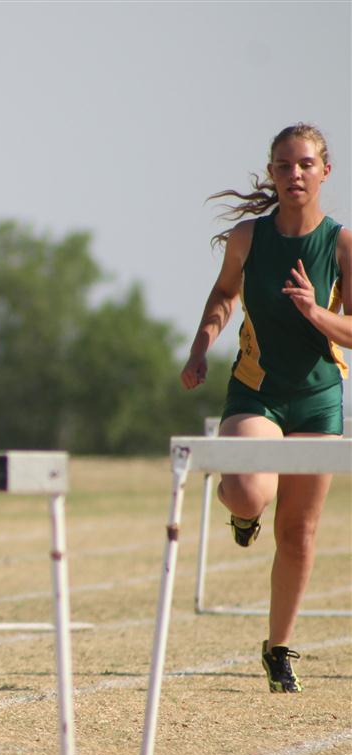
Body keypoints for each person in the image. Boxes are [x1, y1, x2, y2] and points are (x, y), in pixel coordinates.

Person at [181, 123, 349, 694]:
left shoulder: (342, 244)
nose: (294, 174)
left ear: (325, 171)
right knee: (249, 491)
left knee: (298, 532)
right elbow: (224, 293)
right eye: (284, 165)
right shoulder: (248, 237)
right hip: (256, 389)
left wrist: (316, 313)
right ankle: (243, 513)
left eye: (305, 164)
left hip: (318, 398)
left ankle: (278, 648)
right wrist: (200, 347)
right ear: (272, 172)